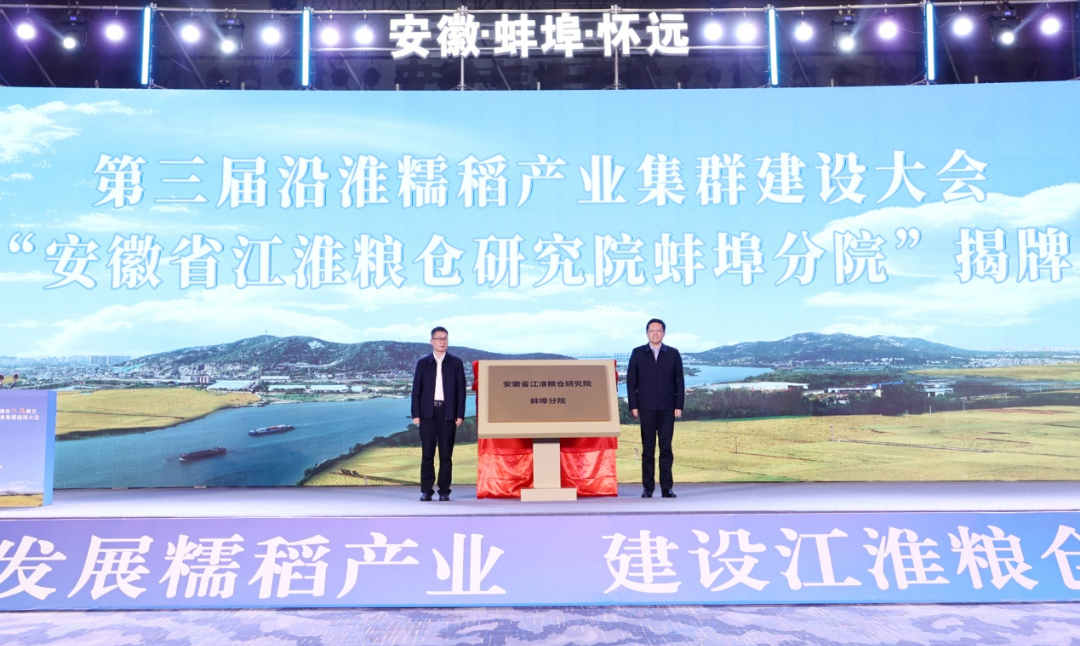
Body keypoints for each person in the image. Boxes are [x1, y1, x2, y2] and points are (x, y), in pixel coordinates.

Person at [626, 318, 685, 499]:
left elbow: (679, 381)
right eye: (652, 330)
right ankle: (648, 488)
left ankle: (667, 488)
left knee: (666, 449)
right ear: (647, 333)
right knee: (648, 450)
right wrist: (634, 405)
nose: (655, 333)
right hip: (646, 407)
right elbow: (631, 381)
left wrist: (679, 405)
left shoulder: (673, 354)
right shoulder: (637, 353)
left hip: (668, 407)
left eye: (658, 330)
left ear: (664, 333)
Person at [411, 326, 466, 502]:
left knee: (446, 455)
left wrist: (459, 414)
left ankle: (444, 491)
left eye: (445, 338)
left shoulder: (456, 363)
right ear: (432, 341)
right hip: (427, 412)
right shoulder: (423, 363)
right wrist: (416, 414)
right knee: (427, 454)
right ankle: (426, 490)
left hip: (448, 413)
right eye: (439, 338)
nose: (442, 341)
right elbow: (416, 391)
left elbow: (461, 391)